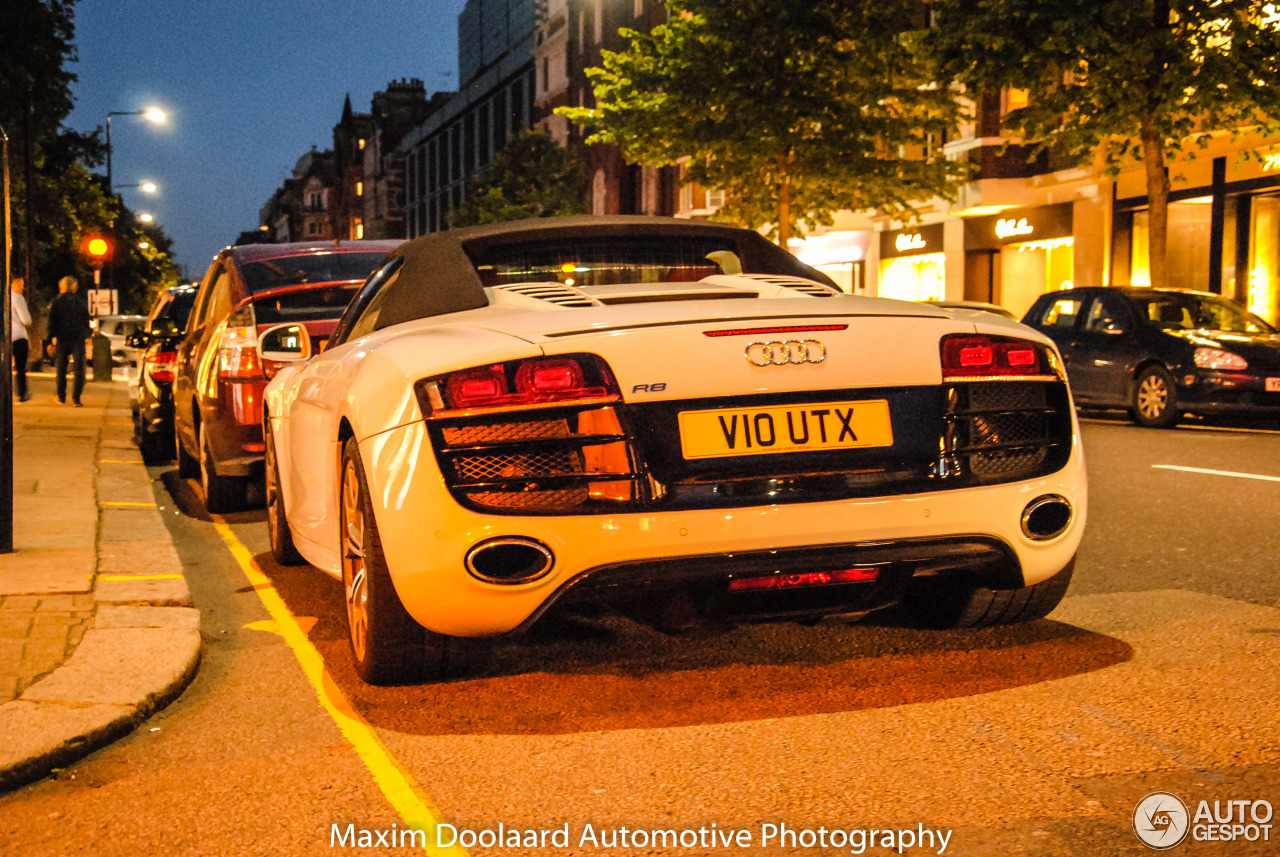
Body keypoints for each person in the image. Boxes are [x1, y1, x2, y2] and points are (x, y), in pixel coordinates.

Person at [47, 275, 91, 406]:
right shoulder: (81, 302)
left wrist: (50, 341)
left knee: (61, 367)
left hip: (62, 337)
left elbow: (52, 323)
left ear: (61, 287)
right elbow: (86, 321)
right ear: (75, 288)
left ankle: (61, 395)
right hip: (78, 337)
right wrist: (87, 336)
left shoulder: (56, 302)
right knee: (79, 368)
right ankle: (76, 397)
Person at [10, 277, 32, 402]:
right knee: (20, 367)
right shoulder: (18, 298)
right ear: (14, 284)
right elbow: (25, 320)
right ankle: (21, 393)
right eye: (20, 285)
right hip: (19, 335)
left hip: (7, 337)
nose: (22, 288)